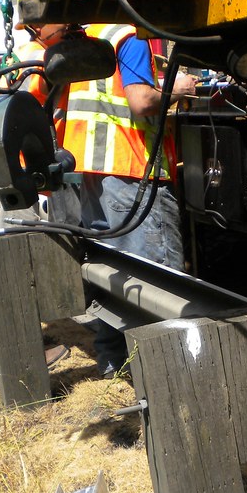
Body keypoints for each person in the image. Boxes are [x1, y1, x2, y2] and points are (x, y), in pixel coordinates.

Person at [64, 23, 198, 377]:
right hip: (131, 167)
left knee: (111, 273)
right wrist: (177, 88)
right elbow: (140, 101)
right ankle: (167, 375)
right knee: (157, 281)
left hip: (92, 170)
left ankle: (113, 363)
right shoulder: (130, 36)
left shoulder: (90, 34)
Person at [0, 21, 73, 375]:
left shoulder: (21, 57)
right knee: (15, 270)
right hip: (9, 179)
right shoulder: (41, 62)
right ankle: (21, 358)